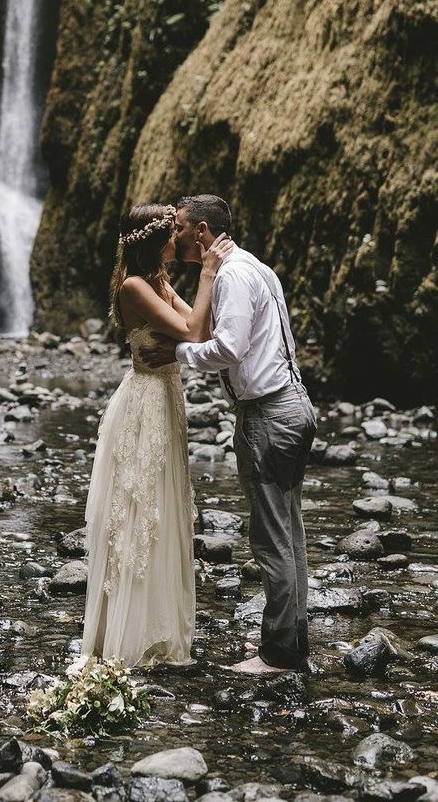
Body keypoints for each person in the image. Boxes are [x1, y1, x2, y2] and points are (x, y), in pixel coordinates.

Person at [141, 194, 316, 675]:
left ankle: (279, 655)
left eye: (177, 227)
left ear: (200, 232)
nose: (171, 235)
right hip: (290, 405)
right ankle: (293, 646)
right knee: (289, 533)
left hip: (269, 415)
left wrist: (173, 354)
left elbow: (230, 350)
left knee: (272, 539)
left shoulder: (234, 275)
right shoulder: (255, 267)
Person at [81, 204, 233, 667]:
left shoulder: (159, 283)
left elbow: (200, 330)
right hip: (144, 401)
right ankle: (125, 632)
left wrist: (191, 320)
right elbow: (191, 328)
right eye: (171, 233)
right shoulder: (133, 286)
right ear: (155, 241)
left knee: (163, 507)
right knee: (139, 507)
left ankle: (156, 626)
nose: (180, 239)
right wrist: (207, 274)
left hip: (166, 396)